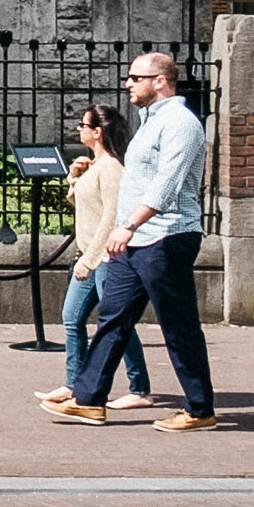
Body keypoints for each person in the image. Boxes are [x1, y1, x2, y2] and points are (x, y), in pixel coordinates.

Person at [54, 49, 217, 430]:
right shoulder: (150, 122)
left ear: (160, 81)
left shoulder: (180, 123)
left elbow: (168, 183)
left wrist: (127, 225)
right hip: (134, 240)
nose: (127, 84)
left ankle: (199, 409)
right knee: (112, 319)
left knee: (178, 325)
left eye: (135, 78)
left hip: (166, 237)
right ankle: (88, 400)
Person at [40, 103, 152, 414]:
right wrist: (74, 176)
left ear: (97, 132)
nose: (79, 129)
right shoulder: (95, 164)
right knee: (72, 318)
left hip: (104, 259)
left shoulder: (112, 168)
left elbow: (111, 218)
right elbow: (82, 202)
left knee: (116, 324)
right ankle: (73, 384)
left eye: (83, 125)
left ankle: (140, 388)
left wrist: (88, 260)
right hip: (89, 256)